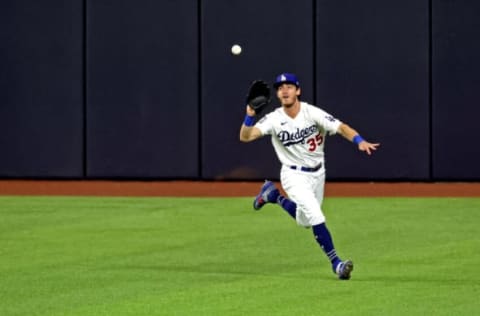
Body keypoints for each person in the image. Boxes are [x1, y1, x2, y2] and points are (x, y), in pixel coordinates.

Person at [239, 73, 380, 280]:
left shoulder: (311, 112)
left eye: (289, 86)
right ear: (277, 94)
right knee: (316, 215)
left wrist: (358, 140)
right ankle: (337, 264)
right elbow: (246, 137)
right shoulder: (274, 118)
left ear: (298, 91)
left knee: (305, 221)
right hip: (293, 174)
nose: (284, 90)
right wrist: (250, 114)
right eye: (280, 88)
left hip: (318, 173)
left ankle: (273, 196)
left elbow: (341, 127)